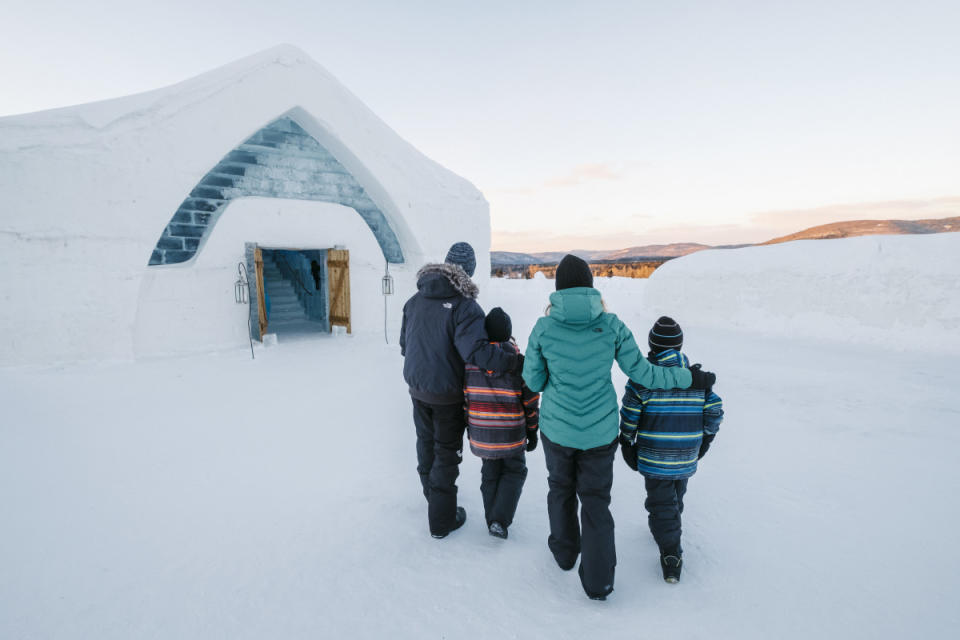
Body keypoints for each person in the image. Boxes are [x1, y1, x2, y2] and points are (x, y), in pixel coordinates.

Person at [522, 254, 716, 600]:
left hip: (558, 430)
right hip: (599, 432)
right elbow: (645, 374)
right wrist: (690, 377)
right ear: (590, 286)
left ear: (558, 289)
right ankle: (599, 582)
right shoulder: (611, 326)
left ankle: (565, 552)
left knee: (560, 489)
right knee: (595, 501)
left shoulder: (543, 328)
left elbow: (533, 382)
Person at [400, 242, 521, 539]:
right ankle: (441, 520)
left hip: (417, 387)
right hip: (446, 394)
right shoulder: (465, 305)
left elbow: (405, 345)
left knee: (425, 446)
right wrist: (515, 362)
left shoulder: (415, 300)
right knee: (445, 455)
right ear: (469, 272)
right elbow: (477, 353)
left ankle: (434, 500)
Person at [619, 316, 724, 584]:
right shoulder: (698, 380)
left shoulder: (643, 380)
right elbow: (714, 411)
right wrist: (705, 440)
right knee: (676, 493)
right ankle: (669, 526)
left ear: (652, 347)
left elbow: (631, 413)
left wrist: (626, 440)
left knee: (661, 502)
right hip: (686, 452)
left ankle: (671, 553)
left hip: (655, 455)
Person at [464, 307, 540, 539]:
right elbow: (530, 400)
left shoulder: (470, 364)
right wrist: (533, 430)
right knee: (515, 470)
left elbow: (466, 398)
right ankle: (499, 519)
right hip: (511, 434)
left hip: (483, 434)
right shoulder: (519, 363)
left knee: (490, 472)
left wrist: (471, 426)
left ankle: (493, 519)